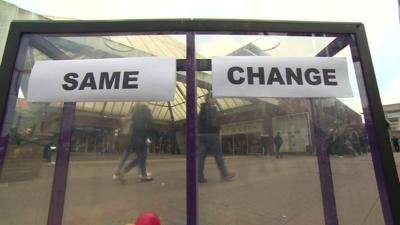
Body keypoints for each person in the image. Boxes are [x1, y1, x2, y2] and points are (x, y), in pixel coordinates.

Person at [198, 92, 235, 183]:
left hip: (201, 135)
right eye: (214, 98)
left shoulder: (201, 109)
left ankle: (199, 176)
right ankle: (225, 175)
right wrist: (218, 130)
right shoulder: (213, 108)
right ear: (209, 99)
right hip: (212, 135)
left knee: (201, 157)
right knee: (218, 155)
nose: (215, 99)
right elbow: (214, 122)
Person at [113, 103, 154, 183]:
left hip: (131, 139)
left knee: (126, 156)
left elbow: (124, 121)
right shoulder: (144, 112)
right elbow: (148, 125)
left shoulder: (133, 114)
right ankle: (139, 173)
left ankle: (118, 172)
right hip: (138, 139)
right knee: (141, 157)